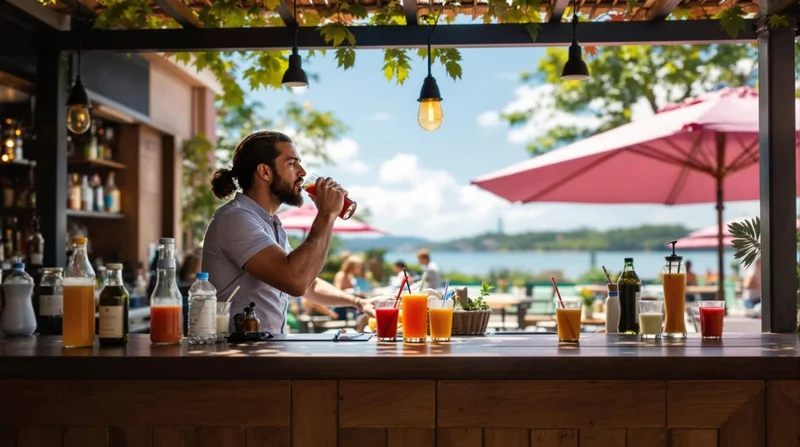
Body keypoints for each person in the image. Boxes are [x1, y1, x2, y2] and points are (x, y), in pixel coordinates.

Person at [201, 130, 374, 334]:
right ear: (265, 172)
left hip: (267, 350)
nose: (302, 172)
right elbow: (296, 281)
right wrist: (326, 215)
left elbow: (309, 283)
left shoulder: (270, 223)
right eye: (292, 164)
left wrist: (359, 303)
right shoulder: (235, 219)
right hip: (241, 357)